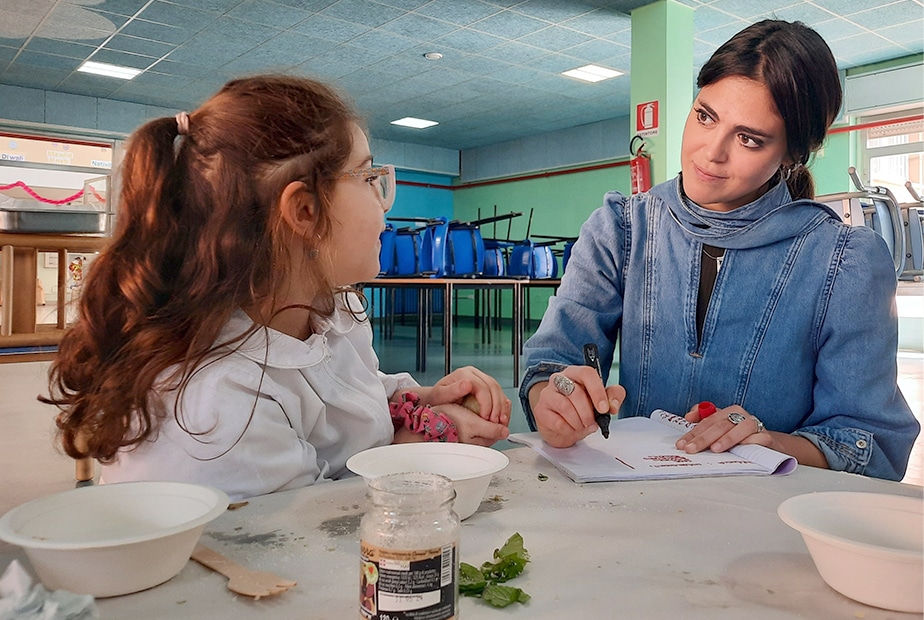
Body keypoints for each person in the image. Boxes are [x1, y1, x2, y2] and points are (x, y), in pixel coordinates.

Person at [44, 75, 510, 501]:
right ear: (304, 211)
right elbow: (306, 536)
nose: (383, 202)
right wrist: (425, 446)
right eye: (369, 178)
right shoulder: (217, 412)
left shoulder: (330, 311)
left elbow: (346, 402)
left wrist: (420, 404)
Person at [519, 20, 919, 481]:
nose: (711, 152)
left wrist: (772, 443)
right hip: (629, 513)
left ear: (792, 154)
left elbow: (871, 442)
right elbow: (552, 362)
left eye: (749, 138)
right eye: (705, 116)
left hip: (769, 525)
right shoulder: (620, 228)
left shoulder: (845, 261)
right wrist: (552, 395)